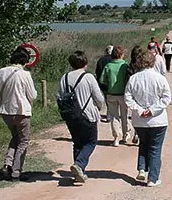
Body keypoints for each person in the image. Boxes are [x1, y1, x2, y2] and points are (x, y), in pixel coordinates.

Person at [124, 47, 172, 187]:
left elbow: (128, 98)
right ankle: (153, 178)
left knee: (144, 144)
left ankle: (142, 169)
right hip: (158, 120)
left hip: (140, 121)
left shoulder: (133, 79)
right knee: (155, 148)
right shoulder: (160, 79)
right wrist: (152, 110)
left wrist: (139, 110)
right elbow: (166, 98)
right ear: (153, 62)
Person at [57, 51, 105, 183]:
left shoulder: (65, 77)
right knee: (91, 141)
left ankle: (78, 171)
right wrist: (99, 107)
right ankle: (79, 165)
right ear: (85, 62)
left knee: (77, 143)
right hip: (87, 113)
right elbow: (98, 97)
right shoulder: (88, 77)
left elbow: (60, 96)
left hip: (70, 114)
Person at [0, 47, 37, 182]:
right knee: (23, 141)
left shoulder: (1, 72)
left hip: (6, 111)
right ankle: (16, 171)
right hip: (21, 111)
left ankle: (7, 165)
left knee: (15, 138)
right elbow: (33, 95)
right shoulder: (25, 74)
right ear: (25, 61)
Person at [100, 46, 135, 146]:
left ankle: (116, 138)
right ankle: (125, 135)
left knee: (114, 117)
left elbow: (102, 80)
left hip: (111, 93)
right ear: (122, 54)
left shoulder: (108, 66)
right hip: (123, 94)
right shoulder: (125, 65)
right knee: (124, 116)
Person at [95, 45, 114, 122]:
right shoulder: (115, 59)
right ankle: (113, 115)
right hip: (114, 83)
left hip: (104, 83)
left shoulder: (101, 60)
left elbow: (98, 71)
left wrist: (99, 81)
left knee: (108, 99)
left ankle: (109, 115)